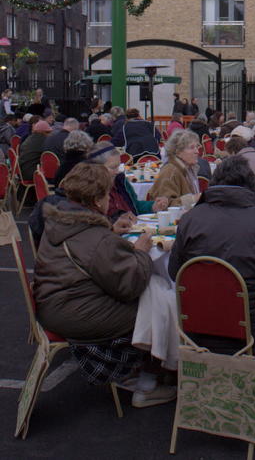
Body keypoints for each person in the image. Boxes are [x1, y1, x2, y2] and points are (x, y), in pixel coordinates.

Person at [32, 163, 177, 406]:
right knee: (159, 300)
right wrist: (141, 251)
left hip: (54, 302)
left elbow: (88, 252)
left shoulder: (64, 221)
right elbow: (130, 284)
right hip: (76, 313)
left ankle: (142, 371)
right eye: (108, 194)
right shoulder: (94, 237)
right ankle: (147, 381)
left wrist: (110, 229)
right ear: (99, 200)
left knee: (155, 292)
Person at [169, 155, 255, 354]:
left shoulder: (190, 219)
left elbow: (175, 272)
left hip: (199, 325)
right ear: (251, 186)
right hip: (254, 330)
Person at [88, 142, 168, 219]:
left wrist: (153, 206)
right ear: (97, 167)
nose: (117, 171)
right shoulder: (93, 190)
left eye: (118, 166)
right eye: (113, 167)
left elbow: (135, 205)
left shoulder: (120, 181)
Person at [149, 130, 200, 207]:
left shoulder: (188, 169)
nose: (197, 151)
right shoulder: (170, 172)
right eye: (192, 147)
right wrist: (193, 199)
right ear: (178, 151)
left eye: (197, 147)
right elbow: (165, 206)